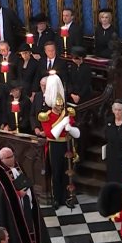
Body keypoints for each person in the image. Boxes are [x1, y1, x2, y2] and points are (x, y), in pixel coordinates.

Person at [0, 146, 50, 243]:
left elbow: (24, 181)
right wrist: (18, 194)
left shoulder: (18, 166)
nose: (12, 159)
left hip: (25, 204)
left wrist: (28, 191)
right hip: (13, 211)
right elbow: (2, 196)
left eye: (12, 156)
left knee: (30, 225)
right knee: (18, 230)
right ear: (2, 159)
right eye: (8, 158)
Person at [37, 77, 80, 209]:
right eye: (57, 105)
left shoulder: (68, 113)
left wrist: (70, 128)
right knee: (56, 172)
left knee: (67, 172)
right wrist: (63, 123)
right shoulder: (46, 116)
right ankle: (56, 198)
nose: (59, 107)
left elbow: (75, 131)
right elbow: (51, 134)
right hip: (54, 146)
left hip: (66, 144)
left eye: (61, 105)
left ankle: (67, 197)